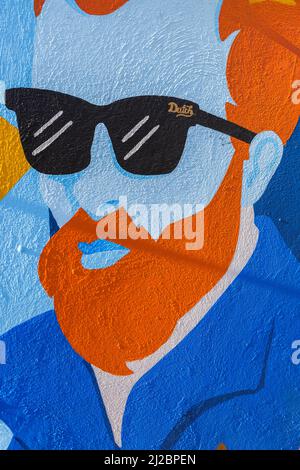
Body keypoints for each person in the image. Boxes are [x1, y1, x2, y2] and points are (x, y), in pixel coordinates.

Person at [0, 0, 299, 450]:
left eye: (150, 136)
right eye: (54, 129)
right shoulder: (18, 366)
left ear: (254, 167)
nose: (90, 194)